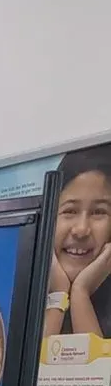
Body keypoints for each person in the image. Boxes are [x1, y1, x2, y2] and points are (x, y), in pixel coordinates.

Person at [46, 144, 111, 338]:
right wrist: (58, 295)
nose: (81, 230)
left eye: (98, 212)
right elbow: (25, 358)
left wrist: (80, 294)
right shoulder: (16, 290)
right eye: (70, 211)